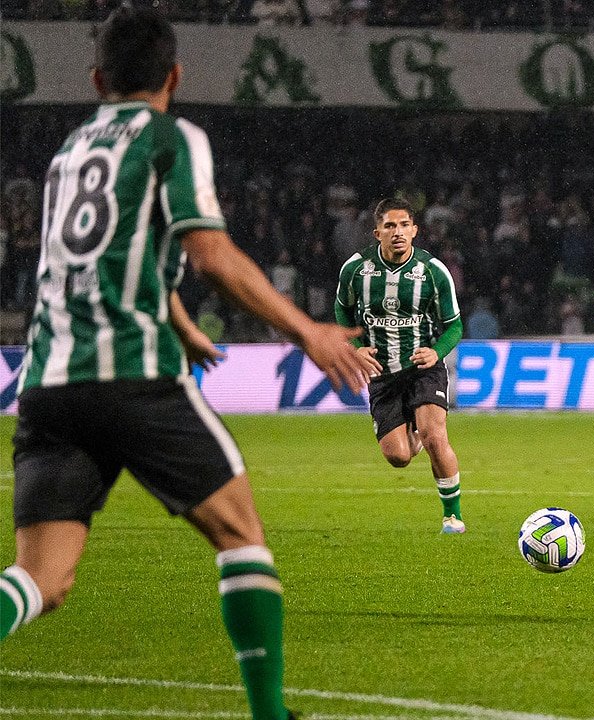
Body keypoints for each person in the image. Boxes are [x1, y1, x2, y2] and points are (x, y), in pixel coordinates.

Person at [2, 9, 366, 720]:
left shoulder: (69, 151)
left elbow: (100, 255)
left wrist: (179, 322)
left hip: (47, 382)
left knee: (41, 579)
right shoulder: (174, 138)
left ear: (97, 79)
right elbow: (211, 253)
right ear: (175, 76)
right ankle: (269, 715)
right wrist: (307, 332)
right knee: (240, 535)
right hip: (131, 375)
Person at [335, 198, 467, 534]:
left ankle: (453, 516)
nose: (398, 232)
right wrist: (355, 349)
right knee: (399, 457)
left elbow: (454, 326)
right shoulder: (355, 270)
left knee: (436, 437)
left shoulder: (433, 271)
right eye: (390, 226)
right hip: (382, 373)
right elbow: (342, 314)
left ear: (415, 230)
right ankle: (414, 430)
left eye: (404, 225)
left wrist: (436, 352)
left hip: (423, 367)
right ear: (376, 231)